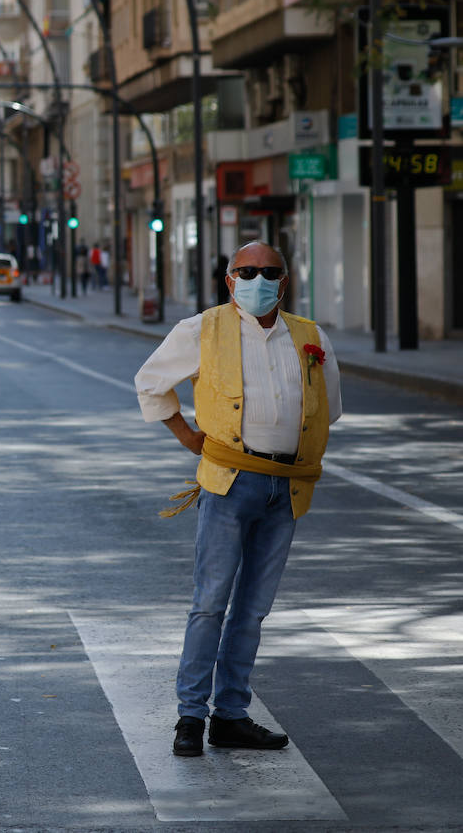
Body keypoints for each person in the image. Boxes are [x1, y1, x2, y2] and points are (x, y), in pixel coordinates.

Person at [134, 241, 341, 759]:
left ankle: (230, 716)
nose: (258, 279)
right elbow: (150, 383)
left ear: (285, 280)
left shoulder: (310, 336)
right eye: (246, 271)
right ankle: (190, 717)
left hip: (286, 486)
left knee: (252, 609)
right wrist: (187, 437)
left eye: (269, 271)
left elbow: (328, 409)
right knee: (210, 603)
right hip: (229, 481)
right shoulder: (201, 329)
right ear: (229, 281)